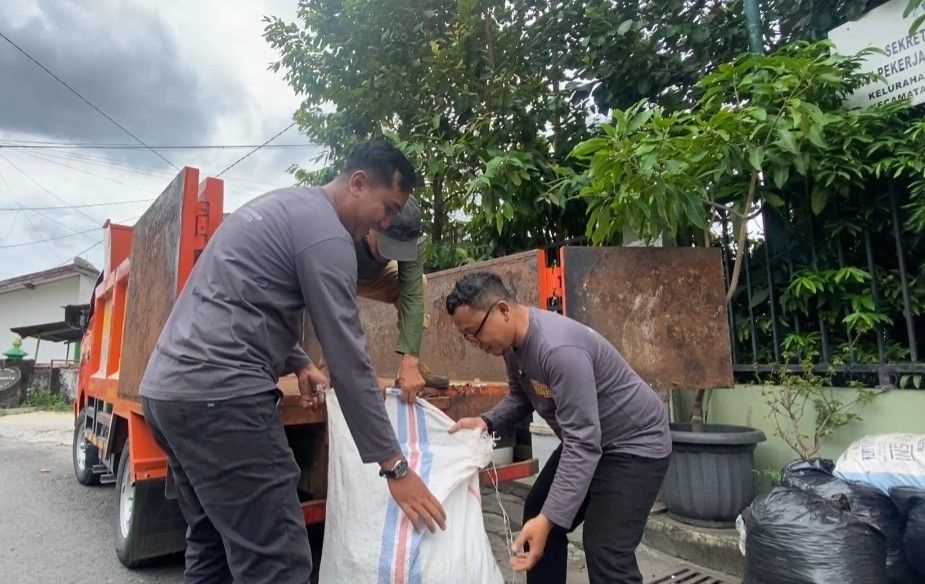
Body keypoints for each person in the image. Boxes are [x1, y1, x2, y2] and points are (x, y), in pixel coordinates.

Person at [139, 139, 446, 583]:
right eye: (388, 208)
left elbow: (245, 301)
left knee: (212, 546)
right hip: (223, 403)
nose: (386, 222)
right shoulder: (329, 238)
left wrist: (299, 361)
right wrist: (394, 465)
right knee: (279, 563)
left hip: (167, 397)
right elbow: (349, 361)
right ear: (359, 183)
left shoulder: (279, 206)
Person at [446, 272, 671, 584]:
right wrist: (487, 422)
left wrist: (550, 519)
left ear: (503, 310)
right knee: (538, 510)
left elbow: (583, 443)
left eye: (475, 332)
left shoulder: (557, 350)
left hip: (634, 443)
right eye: (467, 337)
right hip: (591, 438)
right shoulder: (511, 346)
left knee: (606, 549)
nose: (476, 343)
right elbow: (521, 397)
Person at [350, 195, 450, 400]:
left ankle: (413, 366)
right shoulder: (350, 225)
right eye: (387, 246)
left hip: (375, 276)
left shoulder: (414, 239)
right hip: (342, 272)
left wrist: (410, 360)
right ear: (374, 226)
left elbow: (412, 295)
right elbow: (332, 304)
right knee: (335, 374)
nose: (389, 255)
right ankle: (330, 367)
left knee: (420, 283)